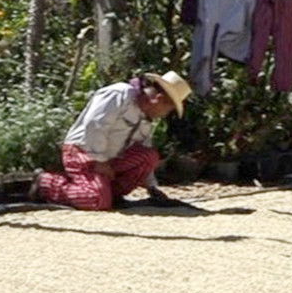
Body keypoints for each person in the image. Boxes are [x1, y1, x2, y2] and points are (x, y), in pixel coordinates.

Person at [33, 71, 192, 210]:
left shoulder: (146, 117)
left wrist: (152, 187)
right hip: (84, 151)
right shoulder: (119, 94)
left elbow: (143, 149)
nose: (165, 114)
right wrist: (100, 161)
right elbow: (95, 125)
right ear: (159, 99)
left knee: (149, 156)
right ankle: (45, 183)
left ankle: (107, 192)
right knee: (97, 201)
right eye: (168, 109)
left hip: (110, 160)